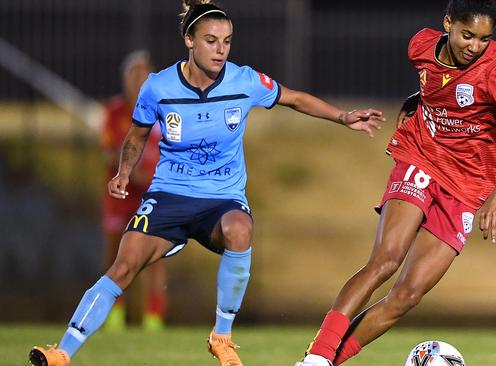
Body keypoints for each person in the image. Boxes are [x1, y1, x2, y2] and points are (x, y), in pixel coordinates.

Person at [28, 1, 384, 366]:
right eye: (211, 41)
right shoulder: (159, 86)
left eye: (226, 41)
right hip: (169, 195)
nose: (221, 50)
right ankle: (62, 352)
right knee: (122, 267)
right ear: (189, 41)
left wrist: (343, 117)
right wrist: (123, 171)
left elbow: (293, 98)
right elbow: (136, 135)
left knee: (240, 229)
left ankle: (222, 337)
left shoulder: (243, 81)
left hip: (221, 199)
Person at [296, 0, 496, 365]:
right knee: (385, 260)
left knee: (407, 295)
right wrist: (419, 99)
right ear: (448, 24)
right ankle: (316, 358)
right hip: (421, 157)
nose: (474, 46)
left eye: (484, 39)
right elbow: (437, 86)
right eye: (467, 35)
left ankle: (329, 361)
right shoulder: (421, 46)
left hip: (469, 187)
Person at [100, 50, 167, 332]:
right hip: (122, 194)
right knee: (117, 255)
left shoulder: (162, 110)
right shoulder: (115, 111)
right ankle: (114, 315)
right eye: (134, 74)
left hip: (151, 194)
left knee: (155, 256)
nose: (139, 80)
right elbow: (106, 150)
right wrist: (127, 170)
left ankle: (154, 318)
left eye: (144, 75)